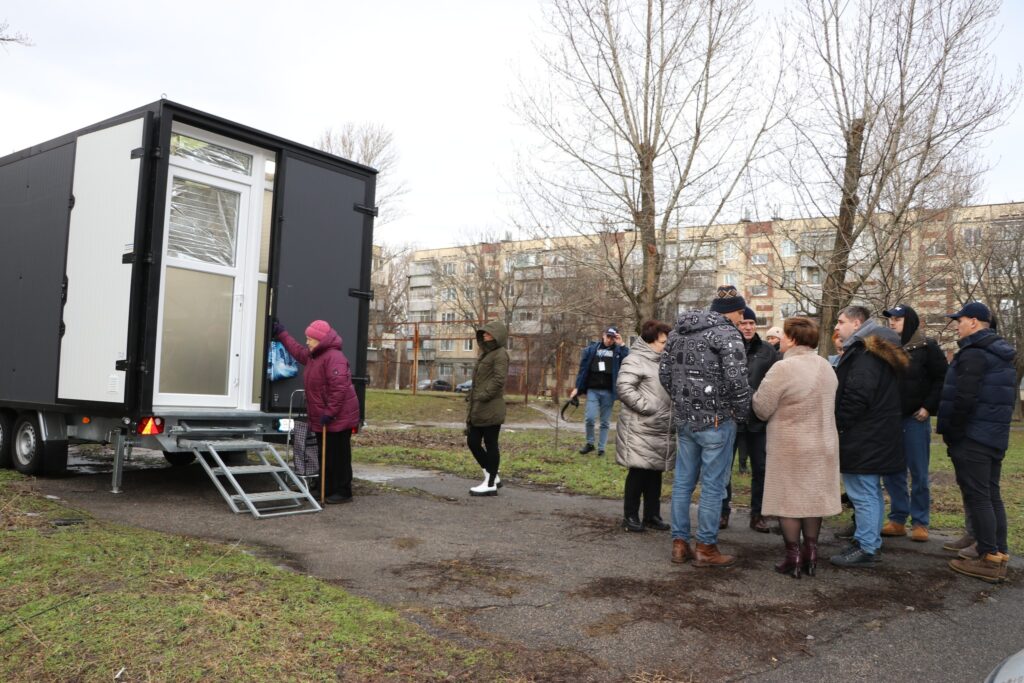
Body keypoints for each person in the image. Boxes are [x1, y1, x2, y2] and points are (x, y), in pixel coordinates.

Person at [660, 285, 750, 567]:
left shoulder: (677, 333)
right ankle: (706, 548)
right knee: (713, 487)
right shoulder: (727, 334)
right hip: (717, 421)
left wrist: (683, 401)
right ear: (733, 311)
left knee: (683, 484)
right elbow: (737, 381)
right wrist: (741, 412)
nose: (741, 319)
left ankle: (679, 544)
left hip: (686, 420)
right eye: (741, 314)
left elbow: (664, 373)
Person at [753, 317, 841, 578]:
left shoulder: (783, 368)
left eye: (783, 335)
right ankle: (811, 553)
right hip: (822, 444)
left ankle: (793, 556)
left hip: (791, 445)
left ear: (791, 339)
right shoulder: (827, 366)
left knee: (789, 502)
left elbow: (761, 408)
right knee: (812, 501)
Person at [937, 302, 1015, 583]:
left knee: (980, 496)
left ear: (974, 322)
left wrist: (953, 432)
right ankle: (998, 553)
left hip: (973, 437)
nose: (956, 324)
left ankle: (989, 557)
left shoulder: (975, 354)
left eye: (960, 320)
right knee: (990, 494)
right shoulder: (998, 352)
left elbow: (964, 399)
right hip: (992, 436)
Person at [830, 306, 907, 567]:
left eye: (841, 322)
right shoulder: (873, 351)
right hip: (873, 434)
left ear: (856, 323)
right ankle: (867, 540)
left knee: (863, 493)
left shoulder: (866, 354)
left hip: (864, 435)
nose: (837, 327)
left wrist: (838, 423)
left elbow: (857, 395)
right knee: (868, 492)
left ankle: (867, 547)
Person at [880, 305, 948, 543]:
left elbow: (942, 378)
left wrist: (928, 406)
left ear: (909, 321)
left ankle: (920, 522)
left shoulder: (927, 347)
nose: (892, 322)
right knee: (892, 472)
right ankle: (898, 519)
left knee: (918, 472)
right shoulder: (886, 348)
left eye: (898, 319)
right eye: (891, 319)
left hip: (915, 419)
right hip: (889, 419)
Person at [273, 319, 360, 504]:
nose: (307, 342)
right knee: (324, 454)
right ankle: (325, 488)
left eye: (310, 339)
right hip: (325, 417)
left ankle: (343, 492)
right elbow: (297, 351)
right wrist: (282, 334)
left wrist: (330, 413)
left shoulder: (334, 357)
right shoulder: (315, 356)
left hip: (338, 417)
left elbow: (339, 389)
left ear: (321, 340)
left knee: (338, 455)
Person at [723, 307, 780, 532]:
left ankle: (758, 515)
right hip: (731, 418)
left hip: (758, 419)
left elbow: (776, 382)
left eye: (751, 324)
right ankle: (722, 511)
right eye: (743, 323)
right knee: (724, 467)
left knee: (761, 469)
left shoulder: (767, 350)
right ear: (736, 325)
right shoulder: (726, 347)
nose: (747, 327)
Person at [615, 320, 675, 532]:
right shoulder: (635, 359)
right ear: (650, 341)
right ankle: (630, 516)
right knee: (639, 472)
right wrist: (648, 408)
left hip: (661, 427)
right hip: (640, 426)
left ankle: (652, 515)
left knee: (655, 473)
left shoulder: (666, 361)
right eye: (663, 342)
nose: (667, 345)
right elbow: (623, 388)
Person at [465, 320, 510, 496]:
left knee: (491, 443)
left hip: (491, 406)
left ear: (497, 336)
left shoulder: (500, 354)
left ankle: (490, 483)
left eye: (488, 333)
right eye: (483, 333)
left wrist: (483, 395)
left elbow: (499, 380)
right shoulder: (486, 354)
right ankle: (492, 476)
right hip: (479, 407)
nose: (484, 335)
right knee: (473, 442)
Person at [570, 326, 629, 456]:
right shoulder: (592, 349)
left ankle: (601, 448)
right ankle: (590, 443)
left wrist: (622, 344)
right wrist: (577, 388)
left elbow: (629, 360)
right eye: (608, 336)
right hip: (593, 390)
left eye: (612, 337)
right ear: (603, 335)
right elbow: (583, 370)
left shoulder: (618, 351)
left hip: (609, 392)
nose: (609, 340)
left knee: (604, 422)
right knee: (590, 418)